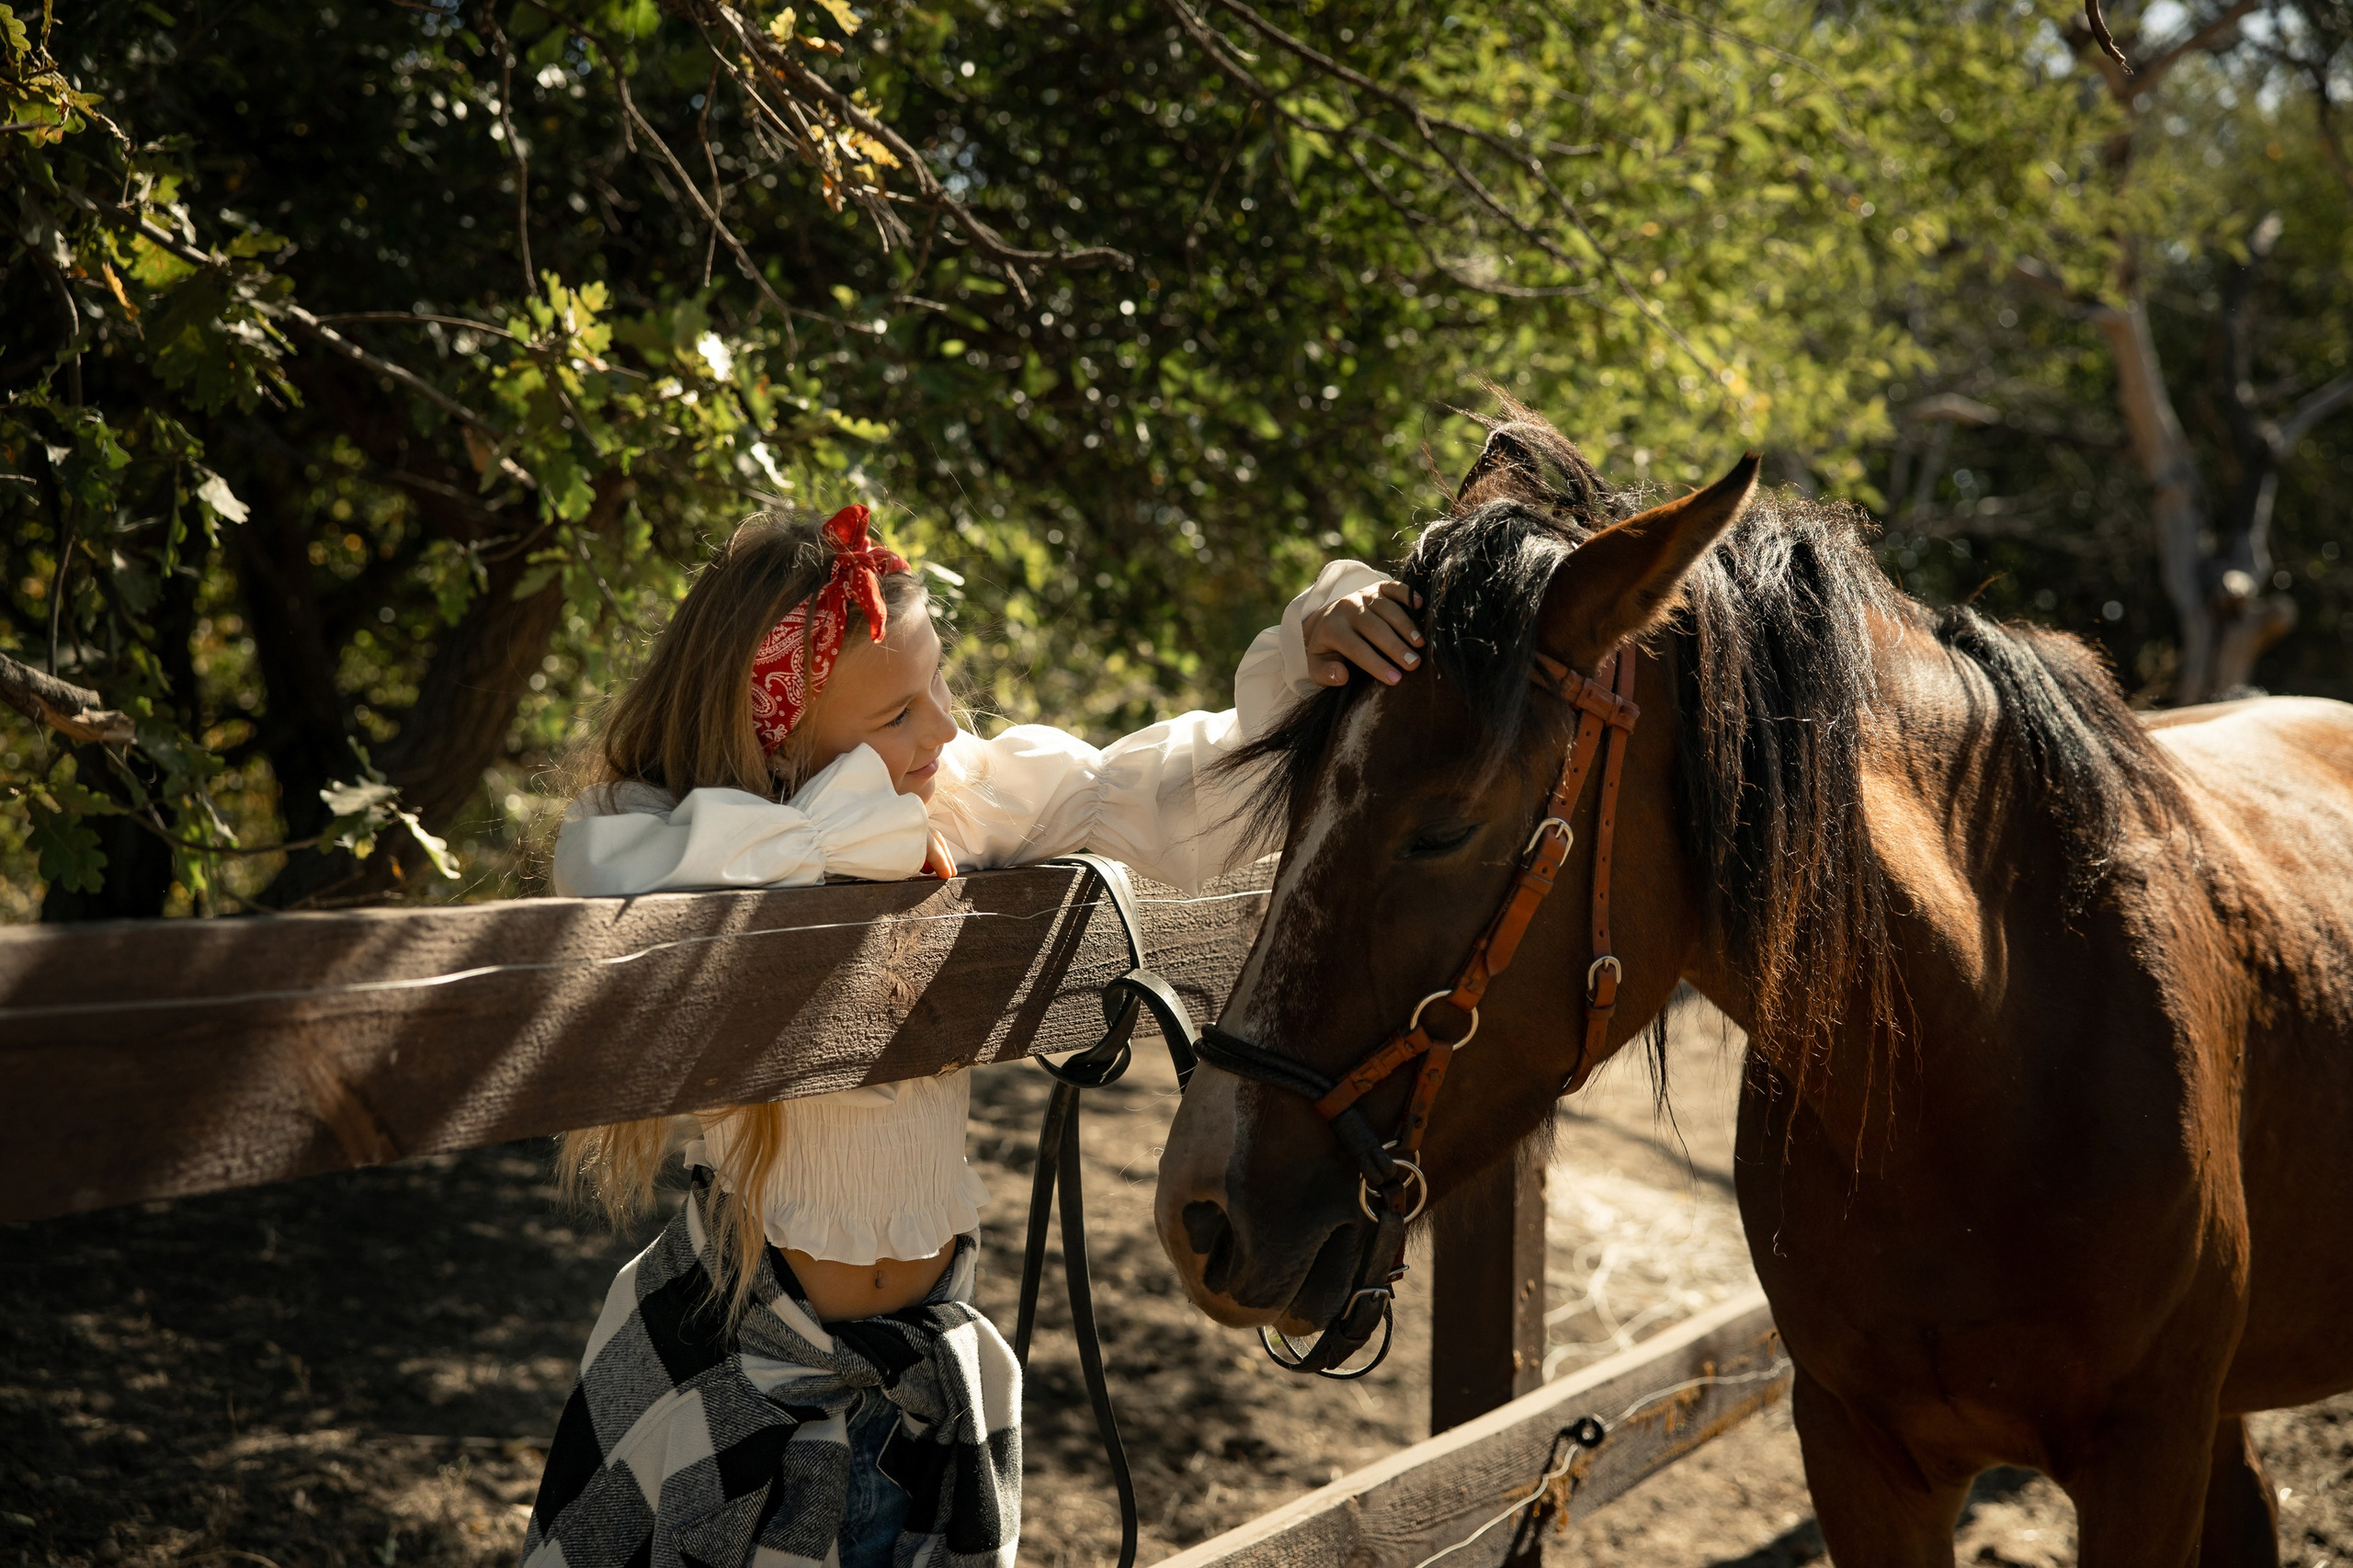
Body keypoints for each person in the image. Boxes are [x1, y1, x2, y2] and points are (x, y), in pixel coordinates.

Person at [523, 502, 1422, 1568]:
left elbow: (1173, 796)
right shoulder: (678, 834)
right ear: (774, 731)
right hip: (739, 1353)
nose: (944, 727)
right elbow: (606, 870)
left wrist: (1313, 653)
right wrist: (834, 827)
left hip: (920, 1371)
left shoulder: (957, 798)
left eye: (938, 683)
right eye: (897, 710)